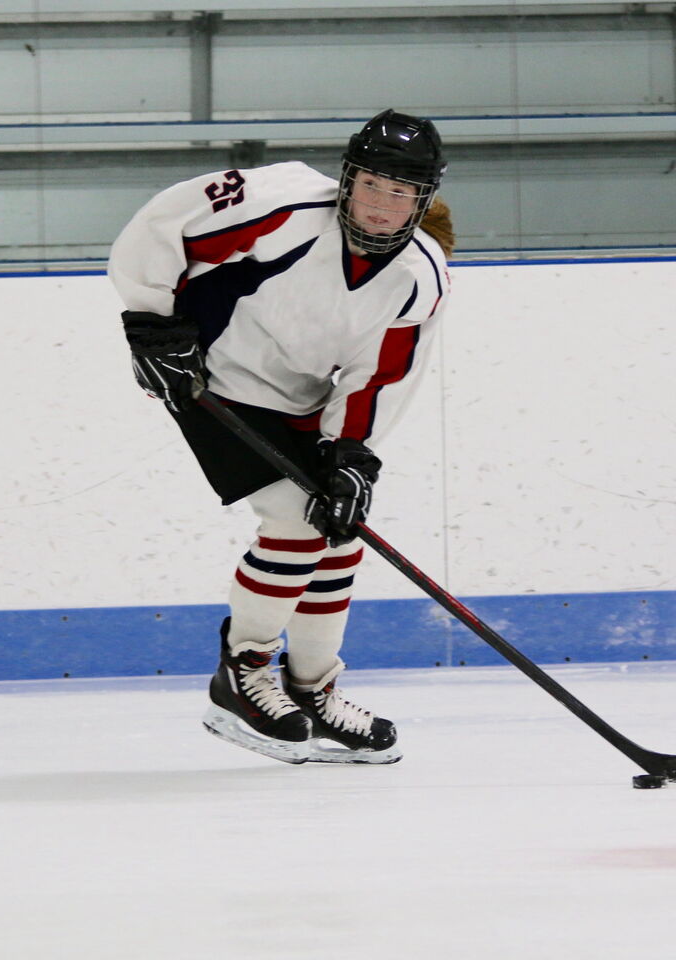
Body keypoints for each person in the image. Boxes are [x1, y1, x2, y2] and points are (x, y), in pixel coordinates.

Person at [108, 110, 453, 765]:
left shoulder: (420, 278)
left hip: (301, 400)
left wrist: (352, 455)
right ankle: (241, 674)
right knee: (297, 524)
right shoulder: (283, 202)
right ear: (349, 179)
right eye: (372, 186)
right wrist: (151, 322)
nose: (381, 206)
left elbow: (378, 375)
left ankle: (314, 691)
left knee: (339, 523)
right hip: (209, 375)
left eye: (400, 193)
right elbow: (162, 222)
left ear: (421, 202)